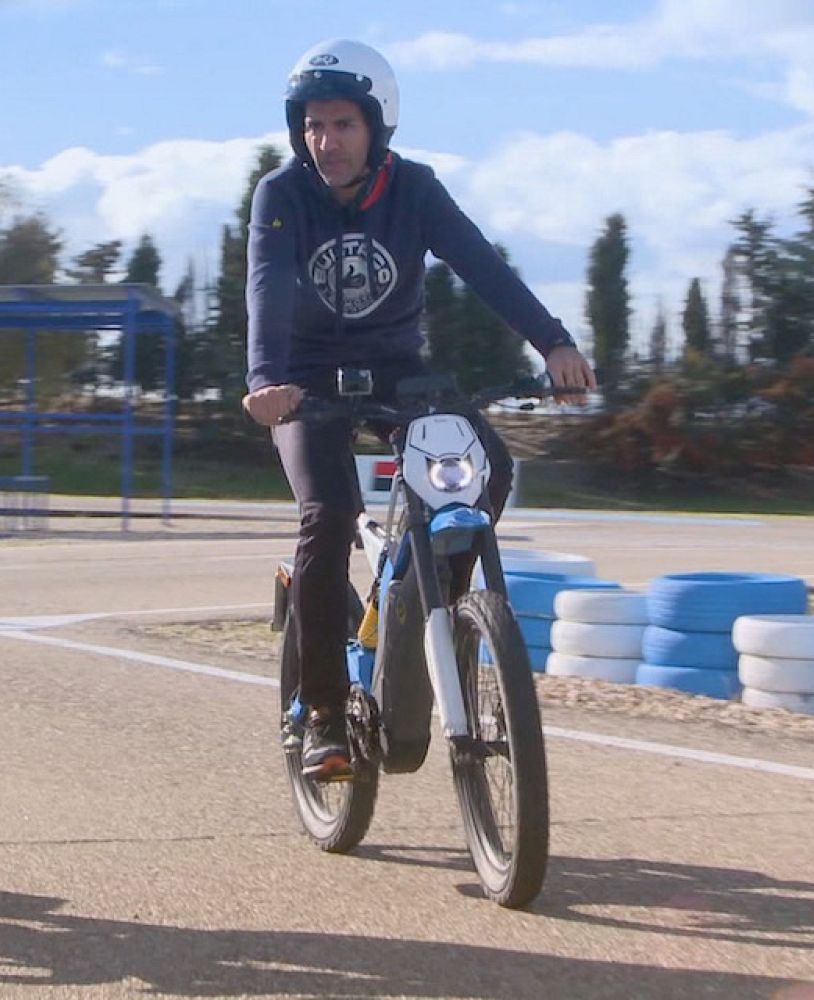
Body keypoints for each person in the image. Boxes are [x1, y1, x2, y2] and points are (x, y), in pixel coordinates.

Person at [243, 40, 597, 779]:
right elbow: (268, 289)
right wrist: (267, 378)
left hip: (399, 375)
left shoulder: (416, 191)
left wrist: (554, 342)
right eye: (312, 124)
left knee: (486, 467)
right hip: (304, 382)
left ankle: (426, 612)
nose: (324, 140)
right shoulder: (281, 196)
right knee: (328, 514)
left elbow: (483, 266)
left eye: (342, 124)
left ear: (377, 127)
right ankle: (323, 716)